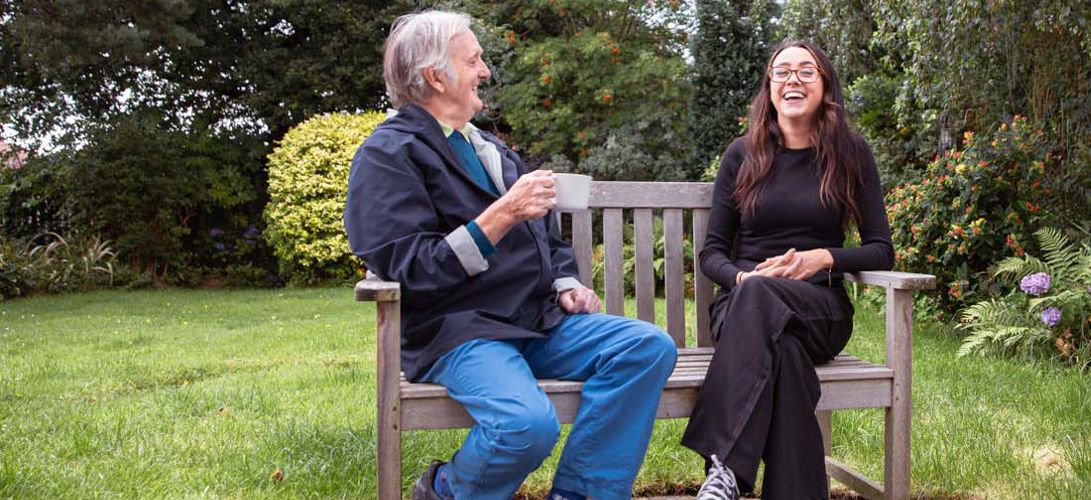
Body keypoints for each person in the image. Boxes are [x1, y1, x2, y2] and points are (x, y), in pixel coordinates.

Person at [344, 10, 677, 500]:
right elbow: (411, 267)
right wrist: (500, 215)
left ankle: (581, 492)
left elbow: (547, 236)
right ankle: (444, 489)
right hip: (459, 331)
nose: (485, 70)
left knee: (647, 347)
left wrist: (565, 284)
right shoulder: (388, 156)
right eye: (474, 60)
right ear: (437, 77)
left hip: (535, 323)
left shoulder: (489, 149)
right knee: (525, 425)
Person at [681, 40, 895, 500]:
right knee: (782, 351)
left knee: (768, 307)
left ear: (824, 85)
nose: (792, 80)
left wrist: (823, 257)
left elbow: (882, 250)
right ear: (769, 87)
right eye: (782, 72)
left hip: (818, 307)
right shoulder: (742, 155)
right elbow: (712, 253)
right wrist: (742, 278)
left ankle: (723, 469)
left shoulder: (851, 154)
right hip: (742, 308)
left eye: (805, 71)